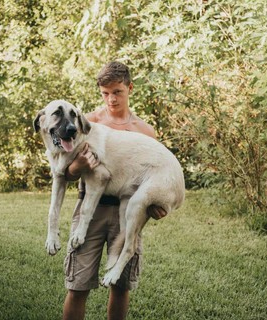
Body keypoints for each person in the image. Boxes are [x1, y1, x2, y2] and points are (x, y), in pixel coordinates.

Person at [62, 61, 167, 320]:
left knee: (120, 287)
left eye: (117, 92)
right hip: (91, 209)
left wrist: (155, 205)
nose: (111, 99)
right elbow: (65, 173)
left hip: (127, 214)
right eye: (105, 93)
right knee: (78, 285)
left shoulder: (145, 132)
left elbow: (152, 175)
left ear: (130, 88)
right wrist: (78, 165)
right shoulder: (87, 123)